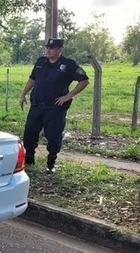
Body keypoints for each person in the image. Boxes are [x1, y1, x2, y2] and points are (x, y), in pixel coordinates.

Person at [19, 38, 90, 173]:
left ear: (60, 50)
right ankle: (29, 158)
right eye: (47, 48)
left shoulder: (68, 64)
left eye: (52, 48)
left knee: (53, 135)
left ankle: (51, 162)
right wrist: (23, 94)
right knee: (30, 132)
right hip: (37, 105)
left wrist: (68, 96)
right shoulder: (41, 62)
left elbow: (84, 81)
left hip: (55, 108)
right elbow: (33, 78)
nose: (48, 50)